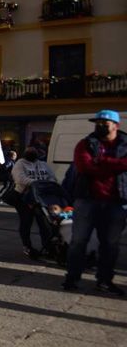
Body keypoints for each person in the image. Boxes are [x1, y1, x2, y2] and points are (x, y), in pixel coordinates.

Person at [61, 110, 127, 294]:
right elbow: (84, 166)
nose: (100, 126)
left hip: (116, 202)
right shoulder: (85, 144)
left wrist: (101, 162)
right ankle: (72, 279)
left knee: (110, 245)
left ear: (115, 125)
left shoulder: (125, 144)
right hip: (87, 201)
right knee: (78, 242)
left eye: (104, 123)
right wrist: (116, 164)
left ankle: (104, 281)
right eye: (97, 123)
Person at [10, 146, 57, 259]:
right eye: (30, 151)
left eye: (34, 151)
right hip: (24, 198)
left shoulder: (43, 164)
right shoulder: (20, 164)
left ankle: (47, 246)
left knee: (44, 223)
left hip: (41, 198)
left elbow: (52, 177)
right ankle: (27, 246)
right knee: (26, 222)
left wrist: (45, 184)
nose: (32, 153)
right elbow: (20, 178)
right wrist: (38, 183)